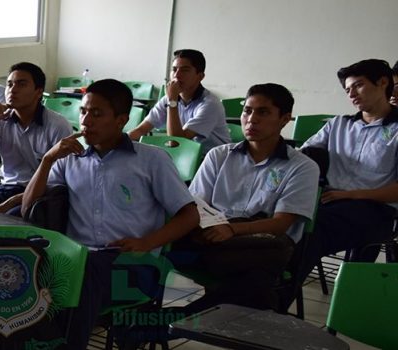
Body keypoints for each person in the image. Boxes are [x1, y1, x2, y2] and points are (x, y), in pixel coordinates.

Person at [21, 79, 198, 349]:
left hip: (133, 264)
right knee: (8, 263)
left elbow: (189, 216)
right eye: (83, 112)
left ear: (121, 120)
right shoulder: (70, 157)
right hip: (76, 258)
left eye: (97, 114)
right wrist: (47, 160)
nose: (86, 121)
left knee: (80, 274)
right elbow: (27, 208)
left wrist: (147, 243)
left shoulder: (152, 159)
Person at [174, 83, 318, 314]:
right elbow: (198, 203)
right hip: (215, 235)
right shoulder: (219, 155)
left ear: (284, 119)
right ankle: (182, 317)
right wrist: (214, 228)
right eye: (247, 111)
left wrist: (231, 230)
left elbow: (281, 223)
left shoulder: (302, 167)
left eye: (263, 112)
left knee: (277, 249)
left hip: (260, 240)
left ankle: (174, 318)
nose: (251, 120)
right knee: (259, 280)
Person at [301, 59, 398, 269]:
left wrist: (351, 194)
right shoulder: (338, 125)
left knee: (311, 231)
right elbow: (301, 159)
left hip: (375, 209)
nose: (352, 94)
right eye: (347, 90)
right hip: (331, 201)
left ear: (382, 82)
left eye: (358, 85)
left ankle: (277, 291)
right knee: (292, 221)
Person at [0, 62, 73, 214]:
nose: (12, 90)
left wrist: (11, 202)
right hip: (7, 189)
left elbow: (58, 181)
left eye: (21, 84)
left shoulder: (57, 125)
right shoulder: (1, 121)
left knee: (7, 215)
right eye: (9, 84)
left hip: (42, 195)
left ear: (38, 92)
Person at [127, 49, 231, 154]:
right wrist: (118, 141)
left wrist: (172, 101)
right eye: (174, 69)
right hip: (187, 155)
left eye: (185, 70)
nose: (177, 75)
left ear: (200, 76)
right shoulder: (168, 99)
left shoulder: (210, 104)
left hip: (214, 159)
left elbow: (175, 142)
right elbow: (141, 129)